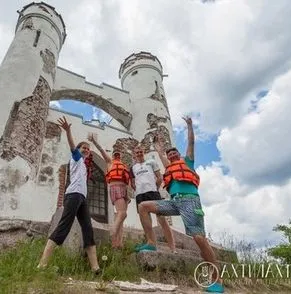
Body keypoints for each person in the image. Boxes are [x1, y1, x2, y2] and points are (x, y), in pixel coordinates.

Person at [138, 116, 224, 293]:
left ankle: (217, 280)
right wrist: (157, 144)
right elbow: (160, 152)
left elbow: (191, 142)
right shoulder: (168, 166)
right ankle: (151, 242)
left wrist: (190, 126)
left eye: (173, 153)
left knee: (199, 238)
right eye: (169, 155)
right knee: (143, 206)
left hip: (190, 200)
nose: (171, 155)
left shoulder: (187, 161)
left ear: (179, 154)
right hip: (173, 202)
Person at [38, 116, 100, 274]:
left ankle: (95, 268)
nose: (86, 150)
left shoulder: (84, 166)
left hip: (82, 199)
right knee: (63, 227)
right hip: (72, 196)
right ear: (79, 151)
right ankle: (42, 265)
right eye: (83, 148)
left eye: (87, 148)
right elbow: (73, 147)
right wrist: (68, 130)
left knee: (88, 229)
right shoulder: (77, 159)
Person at [131, 145, 176, 253]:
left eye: (140, 151)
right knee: (146, 222)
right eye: (137, 152)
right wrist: (137, 189)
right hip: (140, 195)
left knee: (162, 220)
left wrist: (155, 187)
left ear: (144, 152)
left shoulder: (151, 162)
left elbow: (159, 177)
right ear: (134, 154)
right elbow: (132, 182)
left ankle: (173, 248)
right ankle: (151, 244)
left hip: (153, 192)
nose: (139, 154)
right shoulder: (133, 168)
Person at [89, 135, 130, 249]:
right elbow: (101, 151)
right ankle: (112, 232)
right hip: (115, 187)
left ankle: (118, 243)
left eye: (118, 154)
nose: (116, 155)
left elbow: (127, 179)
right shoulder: (109, 162)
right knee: (122, 213)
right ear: (112, 155)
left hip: (124, 189)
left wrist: (128, 193)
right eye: (114, 154)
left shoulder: (123, 165)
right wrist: (94, 141)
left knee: (121, 216)